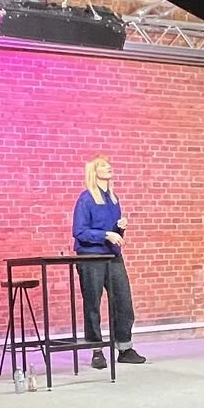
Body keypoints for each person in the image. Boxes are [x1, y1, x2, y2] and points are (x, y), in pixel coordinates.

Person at [72, 156, 145, 367]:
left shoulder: (113, 199)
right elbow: (79, 231)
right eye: (103, 166)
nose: (109, 167)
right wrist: (105, 234)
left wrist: (120, 228)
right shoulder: (86, 199)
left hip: (113, 256)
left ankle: (124, 348)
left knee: (123, 301)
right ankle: (96, 351)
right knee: (93, 304)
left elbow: (114, 234)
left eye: (109, 165)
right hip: (91, 257)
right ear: (94, 172)